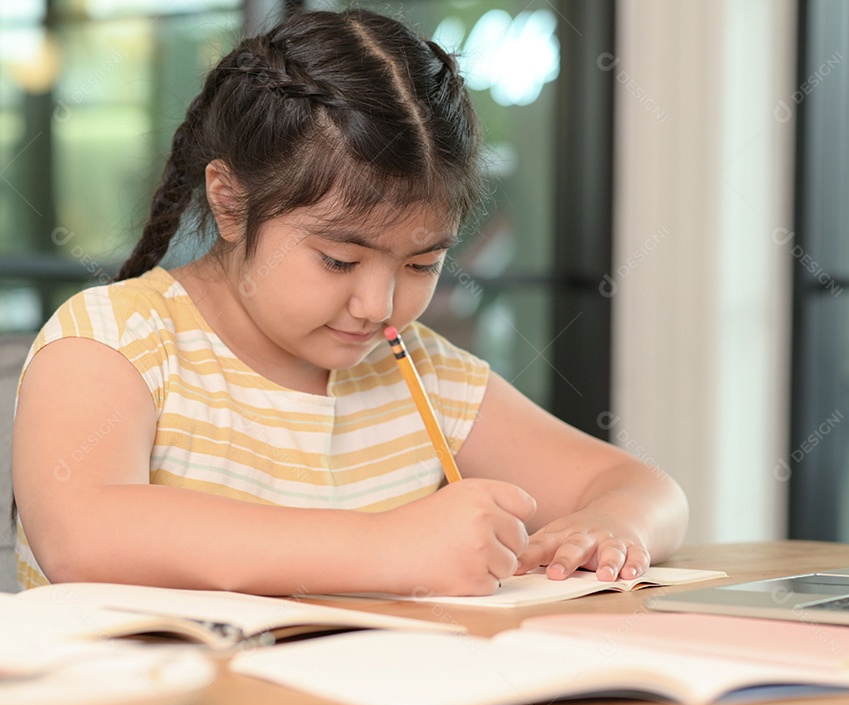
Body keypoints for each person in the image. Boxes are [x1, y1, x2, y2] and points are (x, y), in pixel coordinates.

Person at [12, 8, 688, 596]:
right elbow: (83, 533)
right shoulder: (117, 339)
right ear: (229, 201)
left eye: (423, 262)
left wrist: (613, 523)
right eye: (339, 259)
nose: (377, 304)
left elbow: (647, 488)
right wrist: (390, 546)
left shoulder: (418, 373)